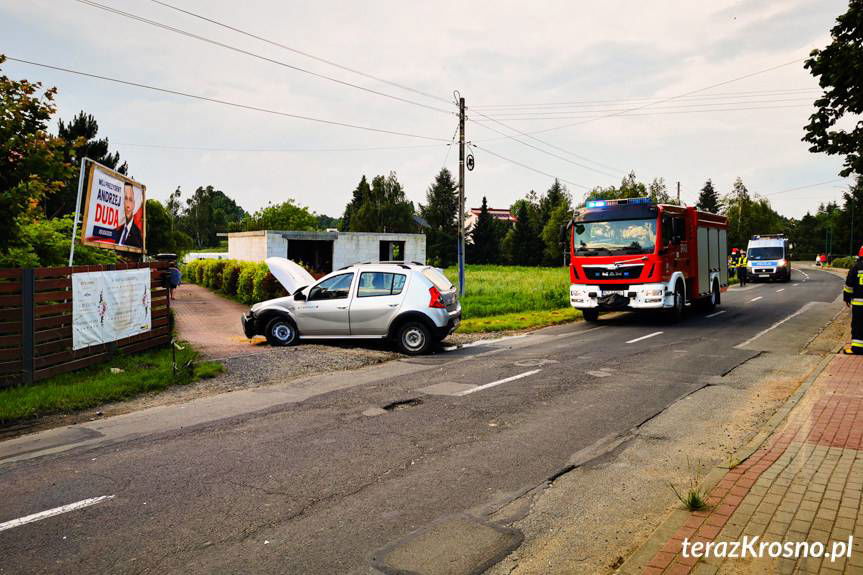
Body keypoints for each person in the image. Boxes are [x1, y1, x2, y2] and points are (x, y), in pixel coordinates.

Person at [843, 246, 863, 355]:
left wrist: (847, 298)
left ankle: (857, 348)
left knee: (858, 325)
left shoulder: (856, 267)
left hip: (859, 304)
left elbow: (849, 285)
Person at [113, 182, 143, 248]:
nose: (128, 203)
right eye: (126, 198)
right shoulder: (116, 228)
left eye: (131, 199)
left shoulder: (137, 233)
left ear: (134, 203)